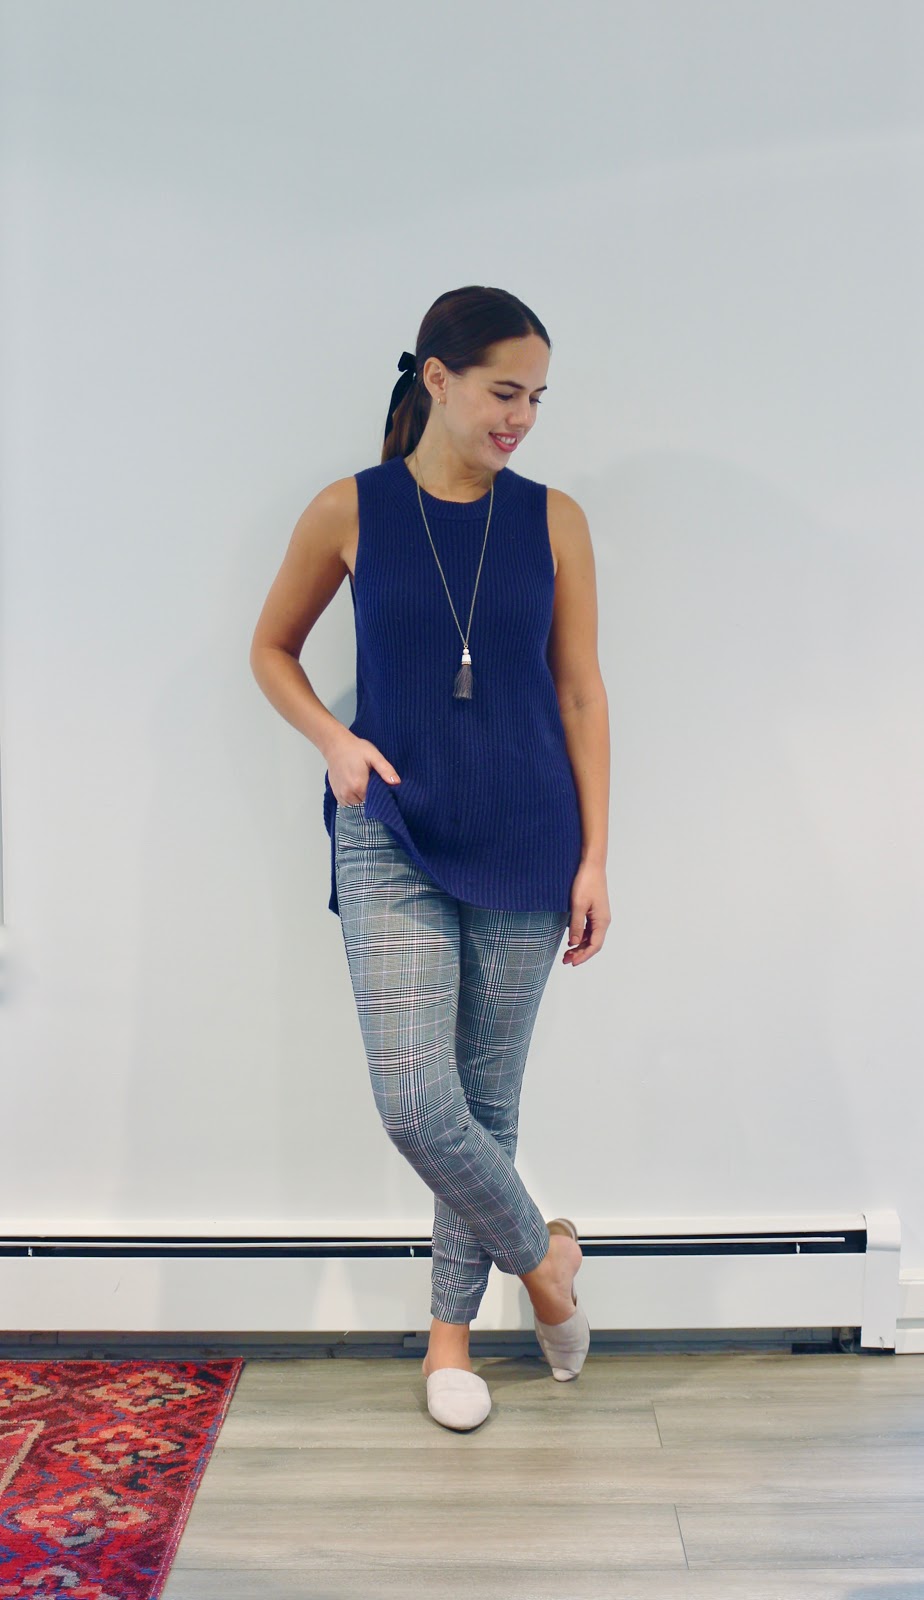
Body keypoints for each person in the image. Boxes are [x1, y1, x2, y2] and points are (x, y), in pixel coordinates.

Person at [250, 285, 611, 1431]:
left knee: (484, 1102)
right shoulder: (348, 509)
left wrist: (597, 856)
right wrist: (333, 738)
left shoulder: (555, 520)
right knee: (417, 1099)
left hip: (528, 833)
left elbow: (579, 692)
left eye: (537, 398)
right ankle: (548, 1263)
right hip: (391, 824)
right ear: (438, 379)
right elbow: (271, 649)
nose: (522, 418)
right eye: (505, 392)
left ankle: (448, 1339)